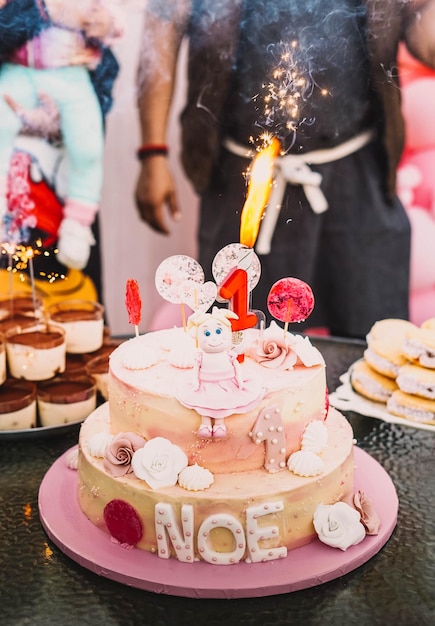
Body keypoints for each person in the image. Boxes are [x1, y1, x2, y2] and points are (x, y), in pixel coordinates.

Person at [134, 0, 435, 339]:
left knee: (373, 334)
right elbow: (162, 26)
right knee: (234, 339)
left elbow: (427, 44)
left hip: (358, 173)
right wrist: (152, 152)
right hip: (244, 179)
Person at [0, 0, 123, 270]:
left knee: (88, 148)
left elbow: (112, 21)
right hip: (16, 72)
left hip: (71, 76)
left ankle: (78, 225)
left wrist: (104, 22)